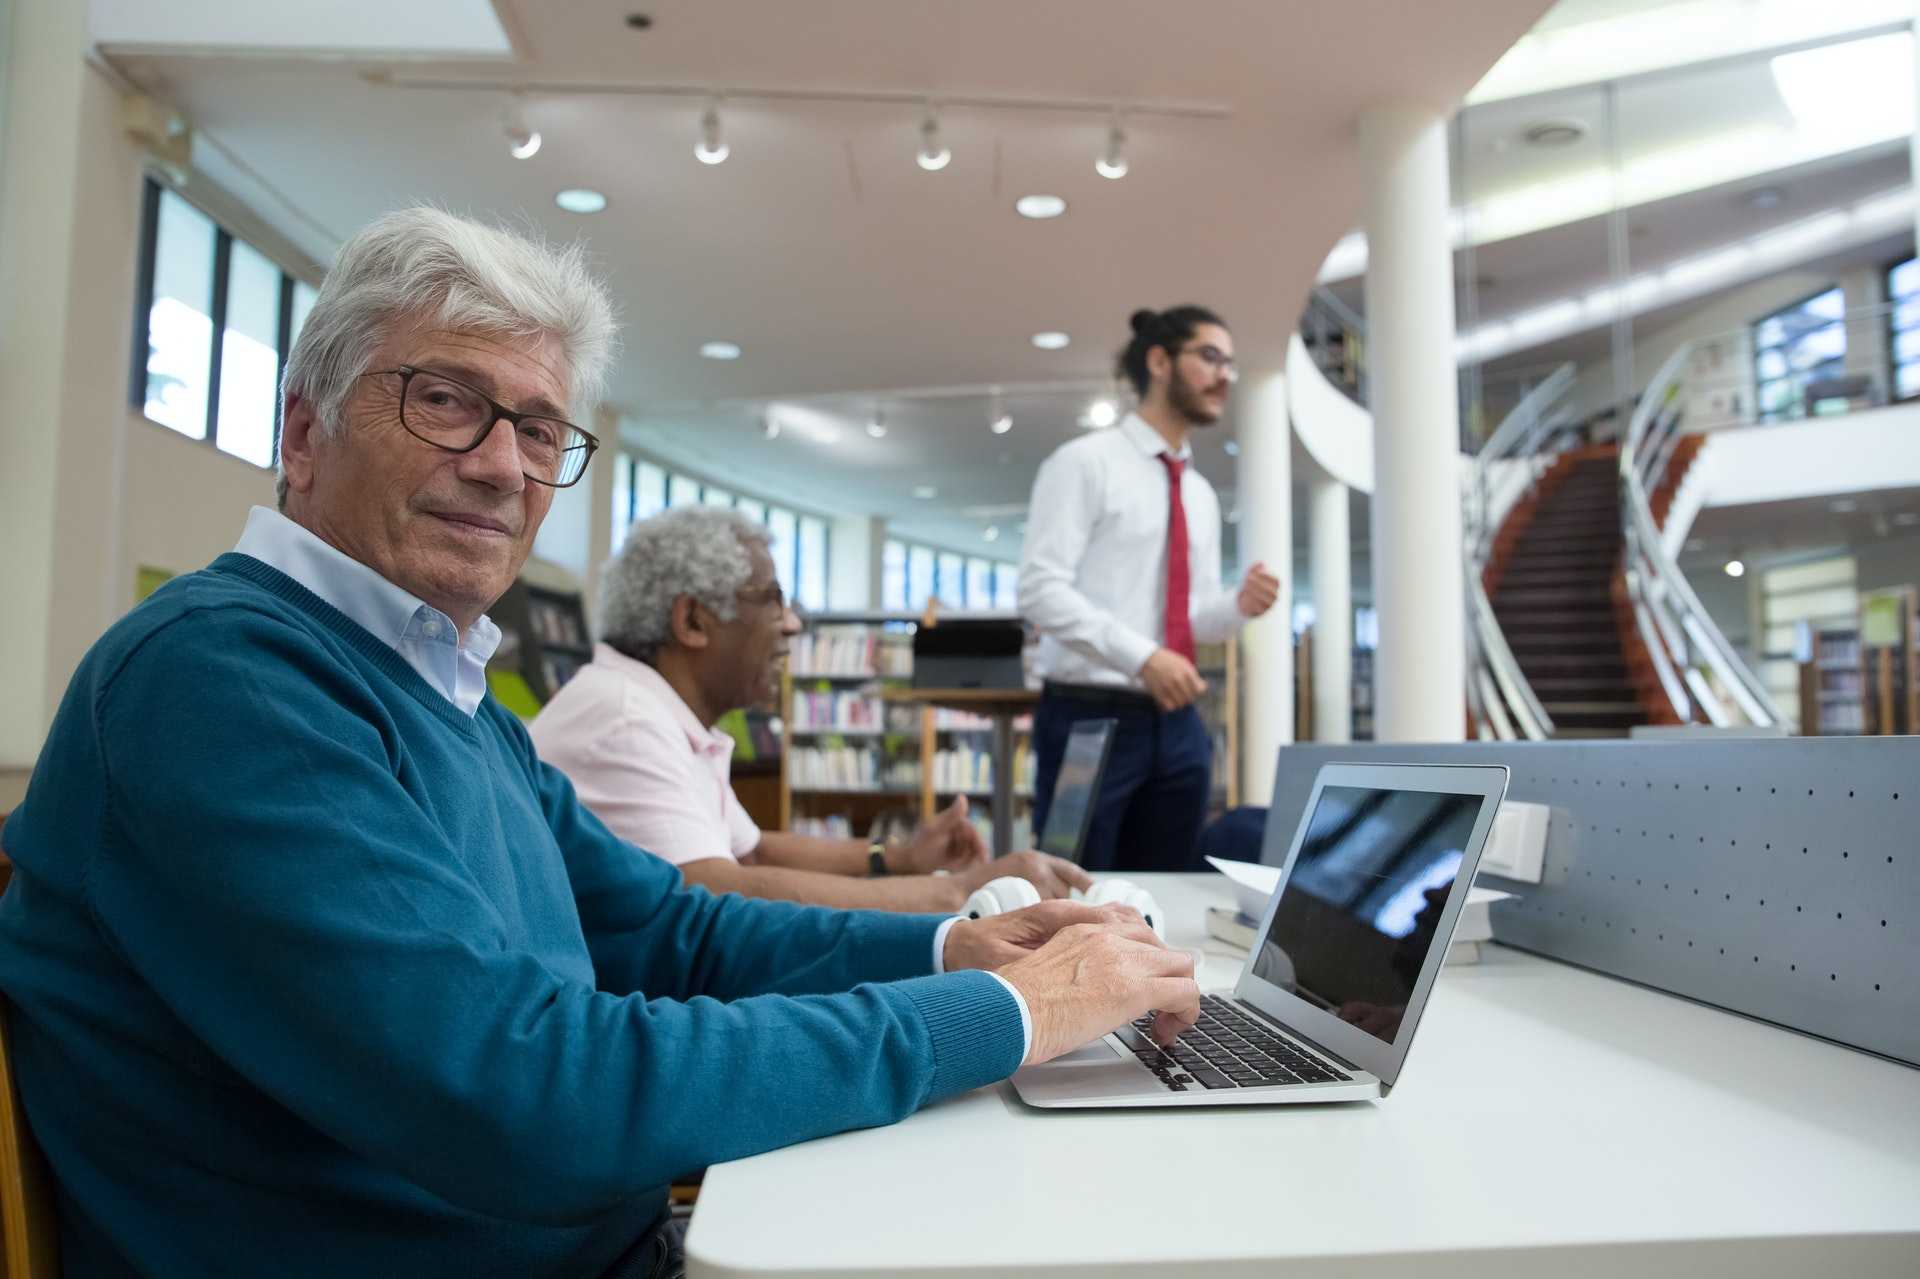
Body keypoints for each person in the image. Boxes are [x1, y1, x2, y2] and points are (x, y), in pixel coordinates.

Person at [0, 208, 1198, 1278]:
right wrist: (1011, 1009)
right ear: (305, 432)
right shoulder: (224, 679)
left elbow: (667, 926)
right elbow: (523, 1088)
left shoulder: (449, 691)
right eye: (446, 400)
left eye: (538, 427)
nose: (505, 465)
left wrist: (955, 944)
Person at [532, 507, 1090, 912]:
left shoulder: (648, 707)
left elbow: (753, 853)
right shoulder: (625, 717)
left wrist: (898, 859)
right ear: (692, 621)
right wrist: (965, 891)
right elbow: (720, 890)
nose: (794, 624)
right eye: (772, 599)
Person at [1019, 306, 1281, 874]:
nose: (1224, 376)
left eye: (1231, 364)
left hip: (1179, 720)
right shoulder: (1085, 463)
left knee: (1168, 888)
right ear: (1160, 361)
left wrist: (1236, 606)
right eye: (1209, 357)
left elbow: (1192, 618)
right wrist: (1143, 658)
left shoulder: (1201, 494)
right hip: (1091, 718)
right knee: (1072, 886)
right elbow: (1040, 589)